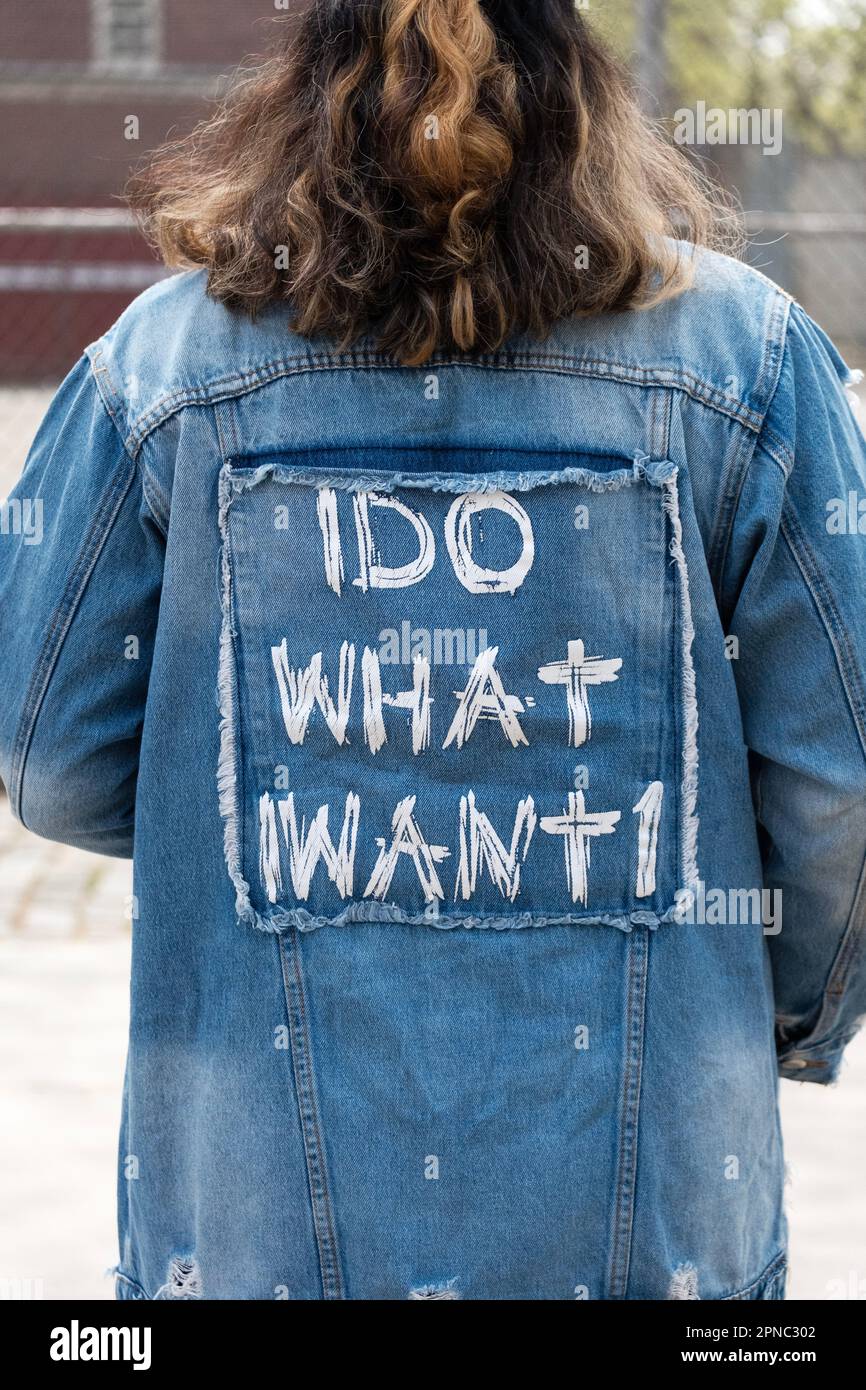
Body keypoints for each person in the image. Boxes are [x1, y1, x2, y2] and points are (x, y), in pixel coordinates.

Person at [1, 0, 865, 1302]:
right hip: (654, 1237)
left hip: (244, 1238)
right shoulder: (745, 365)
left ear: (301, 97)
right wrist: (773, 1013)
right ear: (578, 93)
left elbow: (49, 753)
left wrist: (232, 790)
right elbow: (839, 777)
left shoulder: (156, 372)